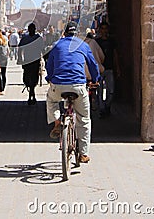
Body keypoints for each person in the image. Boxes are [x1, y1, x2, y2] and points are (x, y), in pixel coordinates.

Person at [45, 21, 100, 163]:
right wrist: (95, 79)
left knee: (51, 99)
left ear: (64, 33)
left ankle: (57, 121)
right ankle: (83, 153)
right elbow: (93, 65)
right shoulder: (83, 45)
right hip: (78, 86)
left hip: (59, 85)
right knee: (84, 118)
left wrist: (50, 77)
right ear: (77, 34)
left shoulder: (57, 45)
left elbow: (49, 64)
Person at [95, 23, 120, 118]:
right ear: (100, 30)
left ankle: (107, 106)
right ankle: (102, 109)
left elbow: (115, 55)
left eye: (105, 29)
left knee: (111, 90)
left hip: (110, 68)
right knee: (100, 91)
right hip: (100, 69)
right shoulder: (97, 42)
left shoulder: (111, 41)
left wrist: (117, 68)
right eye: (102, 29)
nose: (104, 31)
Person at [18, 23, 44, 105]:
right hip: (29, 61)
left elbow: (42, 49)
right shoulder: (28, 38)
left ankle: (31, 93)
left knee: (32, 77)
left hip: (33, 61)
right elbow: (20, 49)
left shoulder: (36, 38)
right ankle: (31, 92)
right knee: (28, 77)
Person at [0, 29, 9, 93]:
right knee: (3, 73)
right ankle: (4, 87)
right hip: (4, 58)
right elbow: (8, 49)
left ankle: (1, 87)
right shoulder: (4, 40)